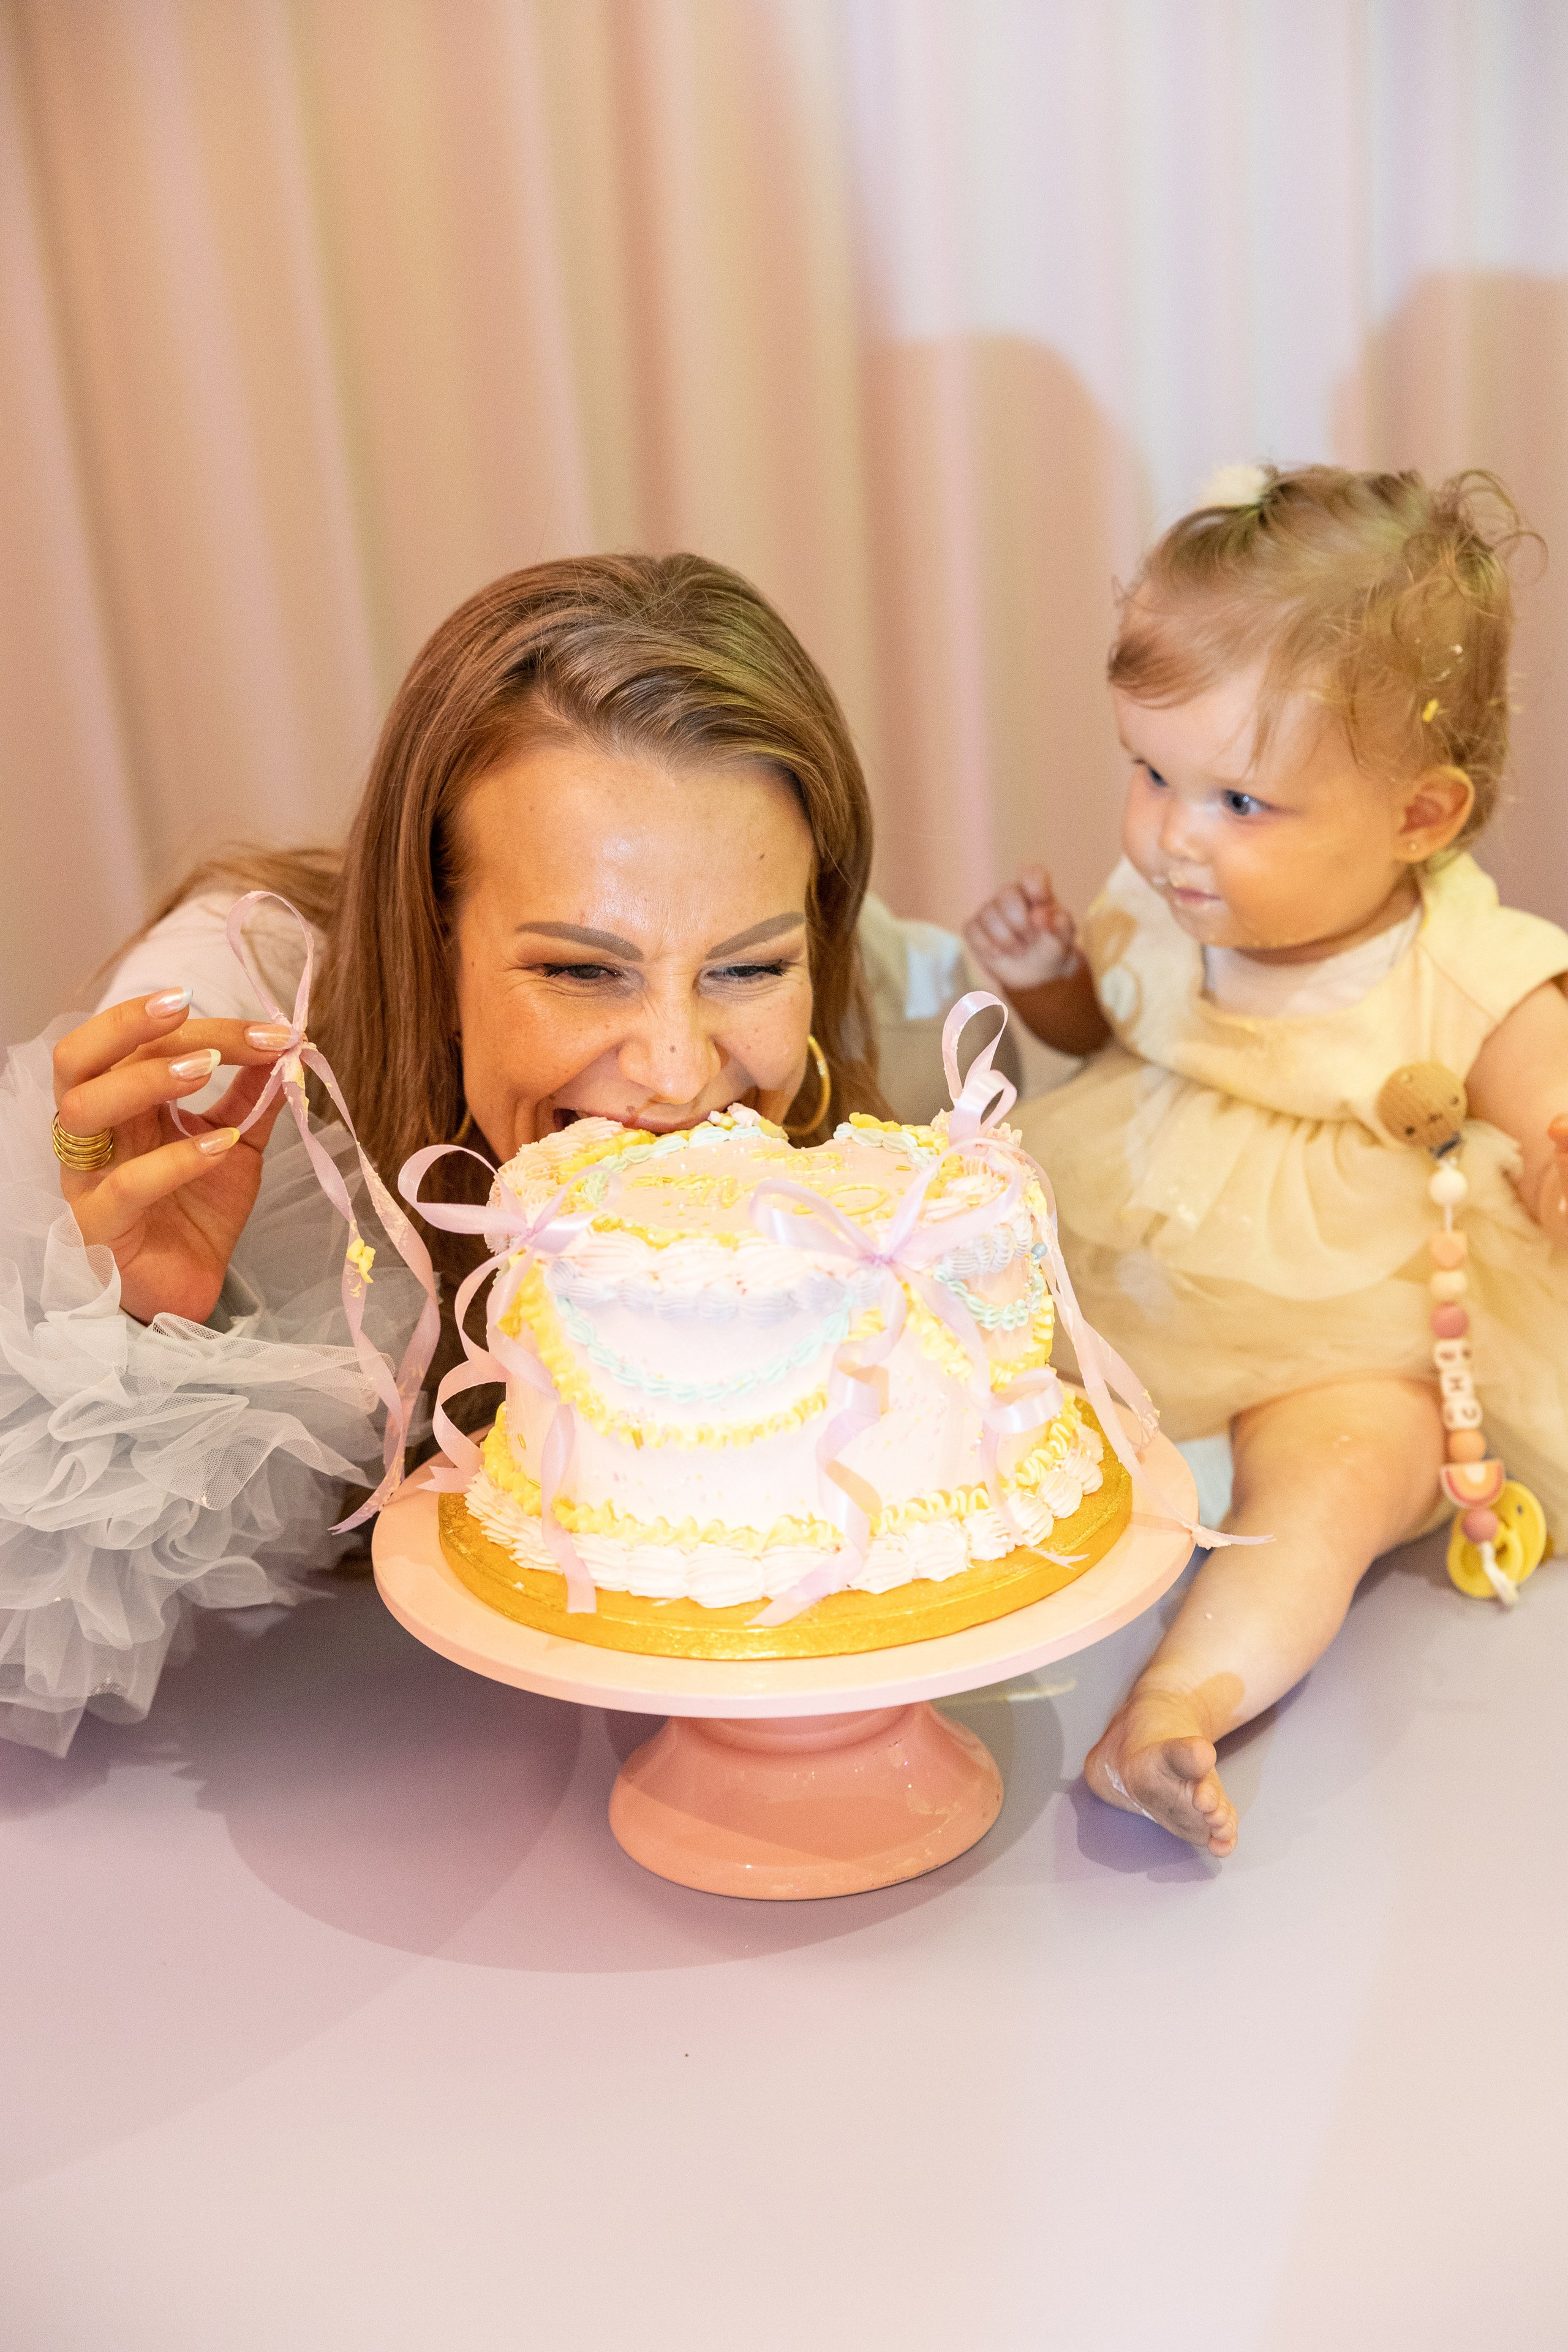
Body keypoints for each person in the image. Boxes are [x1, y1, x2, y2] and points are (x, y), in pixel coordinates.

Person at [1, 554, 1009, 1757]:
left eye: (745, 968)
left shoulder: (871, 999)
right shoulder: (234, 1060)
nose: (677, 1075)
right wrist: (139, 1335)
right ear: (430, 932)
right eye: (581, 970)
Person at [965, 466, 1568, 1858]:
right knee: (949, 1305)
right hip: (1130, 1215)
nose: (1171, 833)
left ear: (1418, 819)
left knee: (1346, 1468)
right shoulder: (1171, 902)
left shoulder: (1464, 964)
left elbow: (1543, 1095)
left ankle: (1177, 1706)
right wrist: (1050, 980)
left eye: (1236, 800)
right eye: (1147, 770)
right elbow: (1107, 1026)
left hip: (1354, 1310)